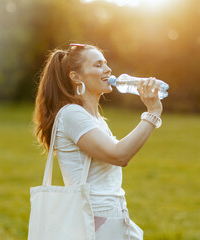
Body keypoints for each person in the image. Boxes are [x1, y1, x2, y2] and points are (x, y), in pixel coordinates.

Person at [32, 43, 163, 240]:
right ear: (76, 76)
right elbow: (119, 155)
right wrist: (152, 113)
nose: (108, 69)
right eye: (98, 64)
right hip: (94, 220)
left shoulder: (96, 120)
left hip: (109, 216)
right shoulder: (71, 114)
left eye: (106, 64)